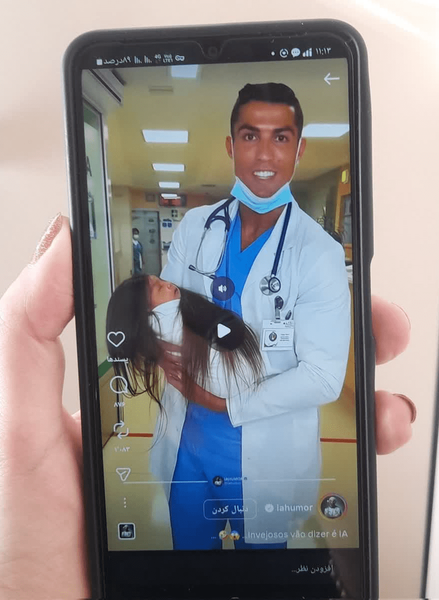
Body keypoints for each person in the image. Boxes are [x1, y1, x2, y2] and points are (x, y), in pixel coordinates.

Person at [0, 214, 414, 598]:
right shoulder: (185, 312)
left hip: (245, 462)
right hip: (194, 460)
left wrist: (209, 391)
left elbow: (270, 377)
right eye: (153, 287)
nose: (163, 282)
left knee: (246, 564)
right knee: (215, 562)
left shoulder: (237, 307)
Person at [151, 83, 403, 550]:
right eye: (250, 136)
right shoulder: (195, 228)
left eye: (280, 137)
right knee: (190, 568)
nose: (264, 154)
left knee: (264, 574)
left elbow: (323, 377)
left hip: (265, 457)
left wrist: (225, 404)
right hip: (187, 446)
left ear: (299, 148)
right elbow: (164, 313)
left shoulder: (319, 254)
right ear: (231, 145)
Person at [105, 274, 263, 412]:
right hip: (248, 385)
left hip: (243, 387)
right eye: (159, 288)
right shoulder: (165, 323)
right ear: (143, 310)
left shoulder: (161, 332)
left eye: (161, 280)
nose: (168, 284)